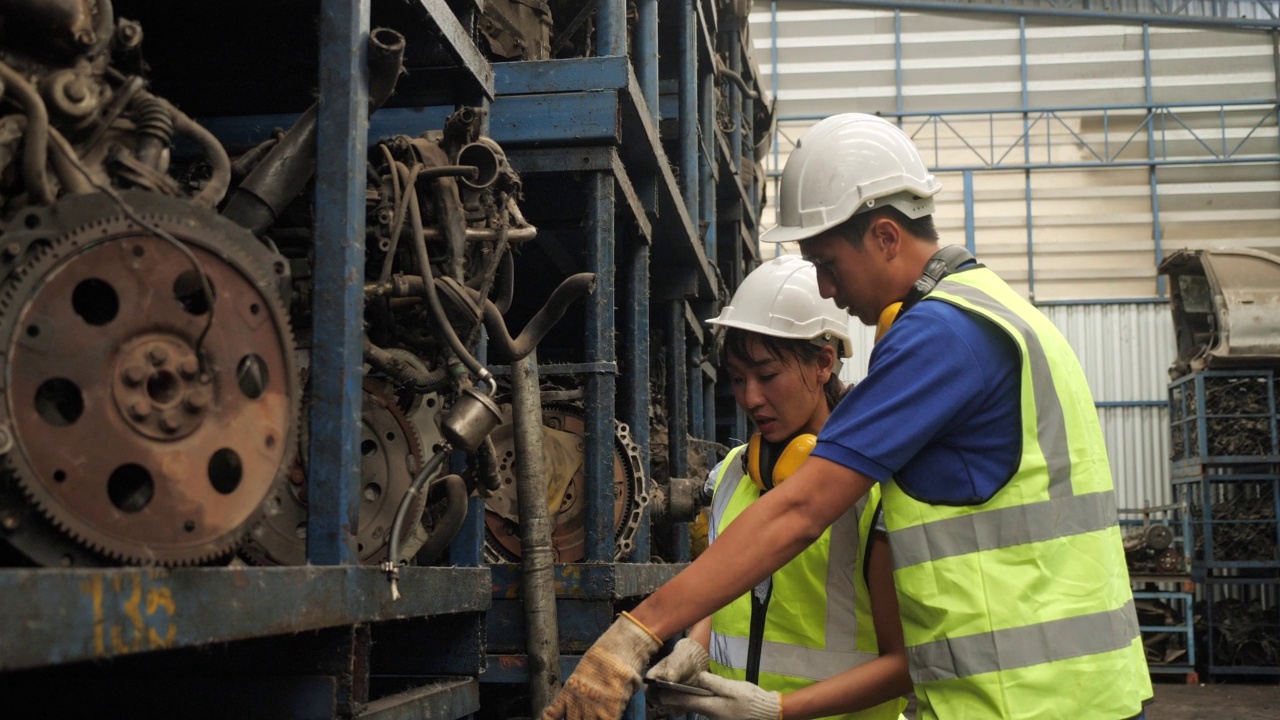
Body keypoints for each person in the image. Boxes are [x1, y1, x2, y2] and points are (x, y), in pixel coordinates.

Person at [542, 113, 1152, 720]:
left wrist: (634, 636)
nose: (828, 291)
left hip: (1028, 702)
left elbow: (803, 509)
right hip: (1065, 691)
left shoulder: (941, 335)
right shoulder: (995, 313)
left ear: (886, 236)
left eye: (829, 264)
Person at [644, 255, 910, 720]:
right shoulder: (731, 472)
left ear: (825, 363)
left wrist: (774, 709)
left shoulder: (872, 490)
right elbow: (718, 581)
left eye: (768, 376)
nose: (749, 398)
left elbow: (905, 665)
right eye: (738, 379)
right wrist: (695, 645)